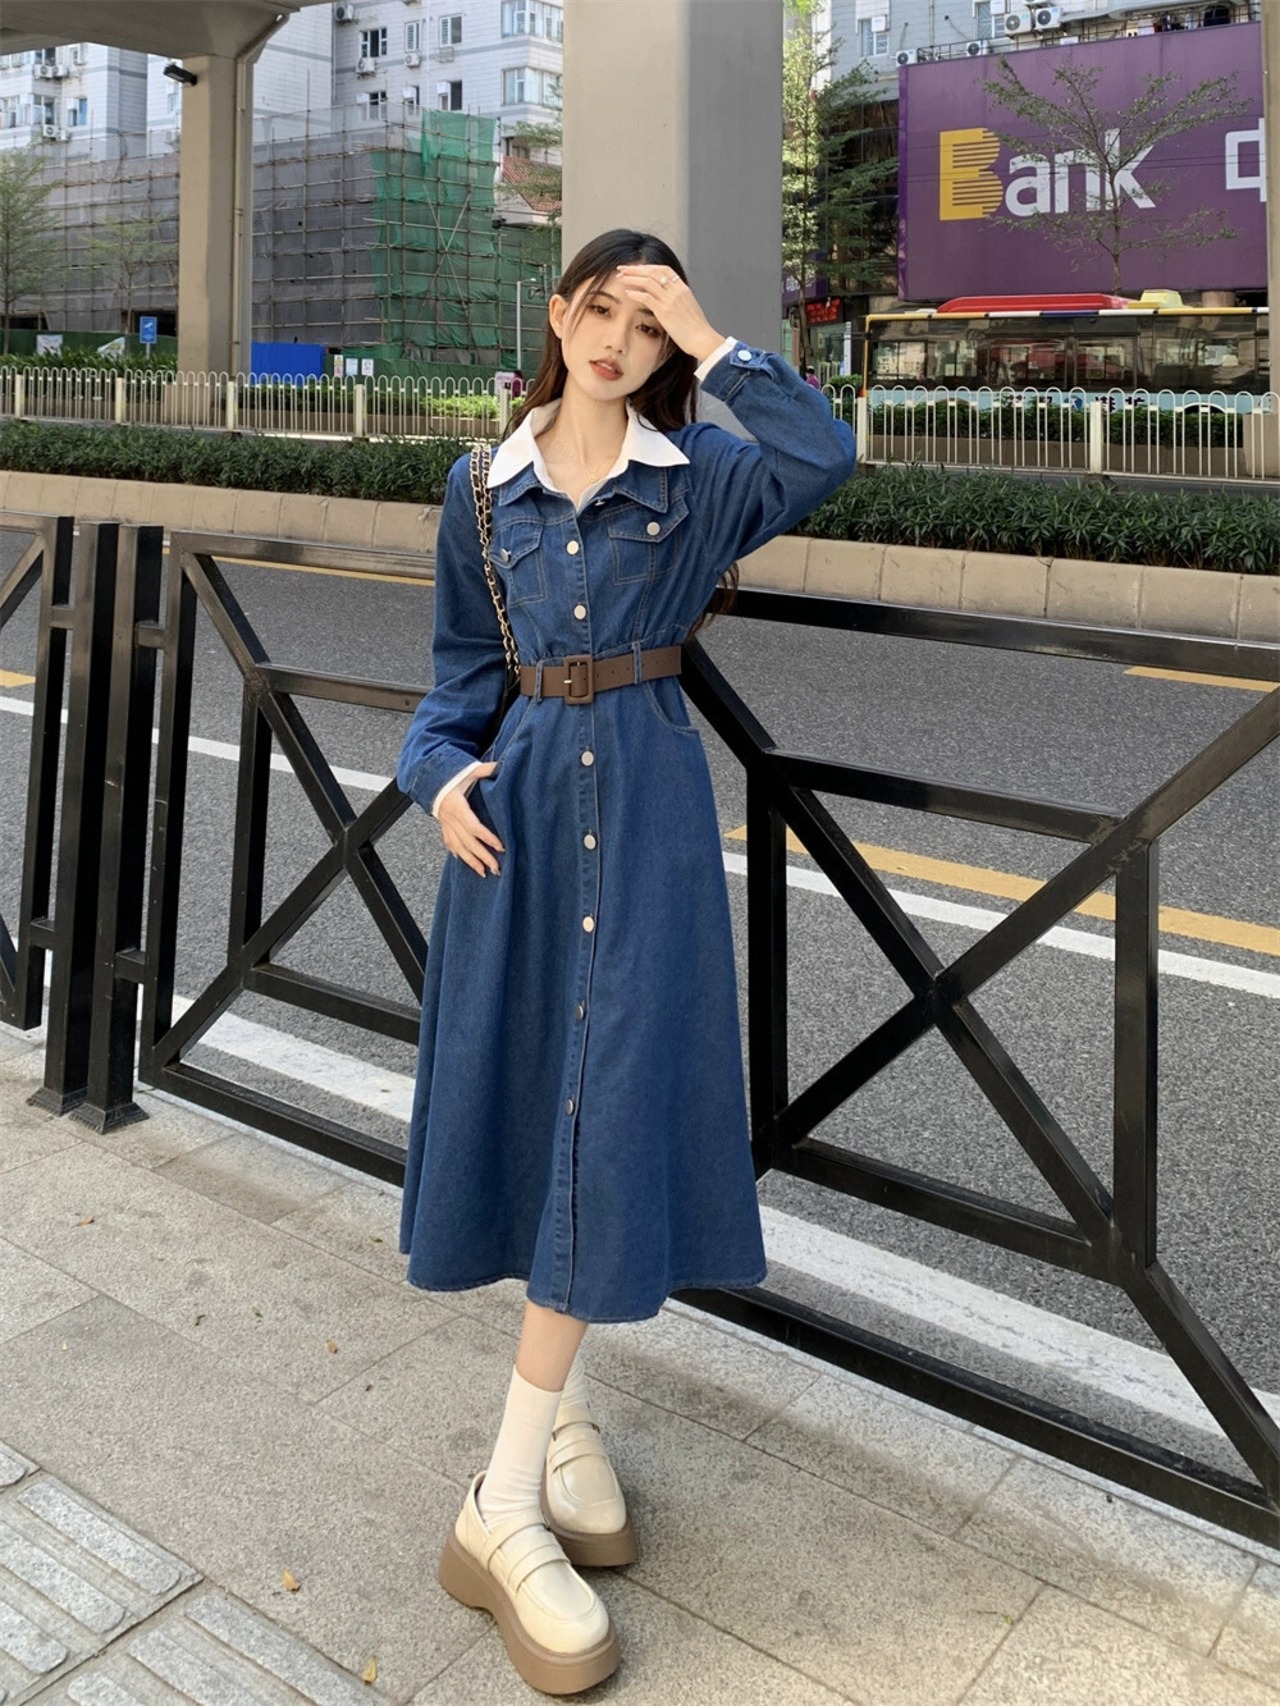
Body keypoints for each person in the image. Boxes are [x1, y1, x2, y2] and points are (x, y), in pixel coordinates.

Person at [396, 228, 855, 1696]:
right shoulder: (481, 489)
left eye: (646, 324)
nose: (617, 339)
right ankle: (544, 1451)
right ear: (557, 315)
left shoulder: (699, 476)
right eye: (601, 309)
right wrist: (437, 780)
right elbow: (454, 686)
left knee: (606, 1116)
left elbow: (825, 454)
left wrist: (717, 344)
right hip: (519, 832)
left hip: (648, 826)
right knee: (552, 1105)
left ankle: (506, 1485)